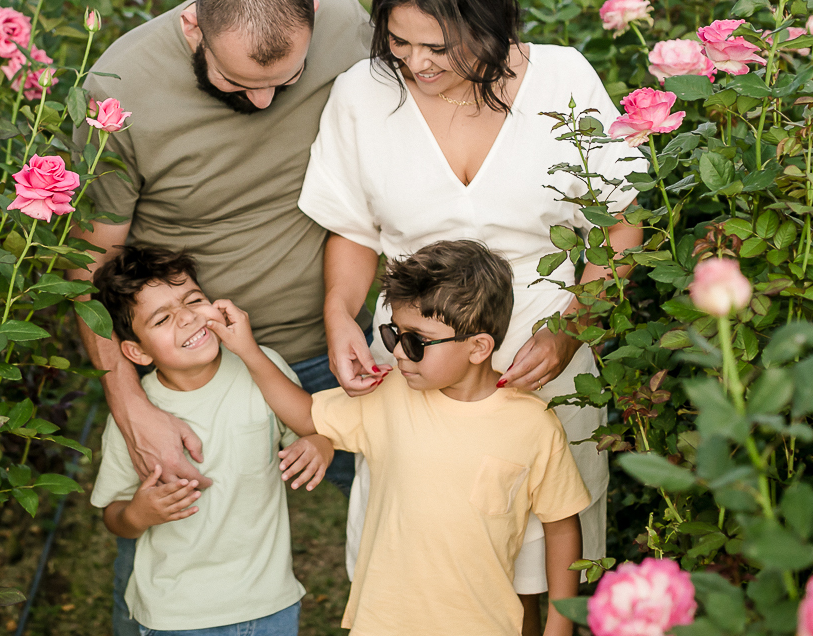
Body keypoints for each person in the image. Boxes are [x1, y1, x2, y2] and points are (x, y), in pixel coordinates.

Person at [297, 0, 646, 633]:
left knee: (543, 547)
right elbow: (352, 230)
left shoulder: (563, 79)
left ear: (491, 22)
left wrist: (572, 329)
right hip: (416, 354)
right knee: (421, 551)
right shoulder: (363, 93)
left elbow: (621, 224)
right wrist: (340, 317)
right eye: (400, 42)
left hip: (541, 356)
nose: (418, 64)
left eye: (440, 46)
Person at [68, 0, 372, 633]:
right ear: (192, 29)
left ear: (314, 21)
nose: (262, 102)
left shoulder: (349, 28)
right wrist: (127, 402)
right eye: (236, 81)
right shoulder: (118, 89)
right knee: (167, 550)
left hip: (329, 346)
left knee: (413, 517)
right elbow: (90, 259)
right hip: (191, 373)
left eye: (284, 81)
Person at [218, 240, 589, 636]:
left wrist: (560, 624)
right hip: (383, 624)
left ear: (478, 347)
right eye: (394, 335)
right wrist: (248, 351)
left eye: (415, 341)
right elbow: (308, 414)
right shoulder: (391, 395)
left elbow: (562, 526)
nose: (397, 353)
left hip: (484, 625)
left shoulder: (533, 425)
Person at [89, 245, 334, 636]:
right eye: (162, 318)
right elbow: (114, 516)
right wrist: (139, 514)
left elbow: (311, 427)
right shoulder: (136, 418)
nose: (187, 318)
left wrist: (321, 444)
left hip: (269, 603)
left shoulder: (261, 367)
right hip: (175, 616)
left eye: (193, 300)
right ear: (136, 351)